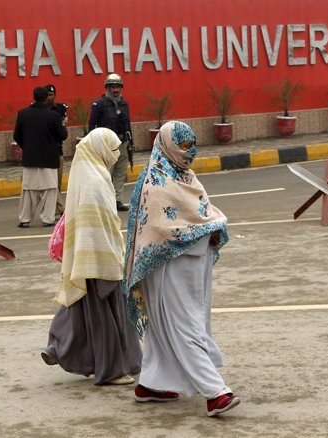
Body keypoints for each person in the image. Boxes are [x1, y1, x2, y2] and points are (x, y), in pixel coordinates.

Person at [122, 121, 241, 417]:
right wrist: (205, 229)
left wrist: (211, 228)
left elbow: (204, 212)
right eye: (184, 146)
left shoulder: (185, 175)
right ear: (169, 146)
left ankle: (150, 384)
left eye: (192, 145)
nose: (190, 152)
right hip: (167, 267)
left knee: (171, 325)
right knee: (183, 325)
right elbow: (162, 228)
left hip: (194, 264)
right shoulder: (156, 181)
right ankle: (215, 393)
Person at [41, 127, 142, 386]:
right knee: (104, 316)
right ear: (100, 149)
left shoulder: (87, 175)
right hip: (99, 258)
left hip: (85, 257)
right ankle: (111, 369)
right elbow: (101, 227)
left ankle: (58, 347)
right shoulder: (96, 182)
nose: (117, 154)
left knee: (80, 309)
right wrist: (112, 261)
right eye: (113, 148)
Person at [13, 86, 68, 228]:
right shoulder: (53, 116)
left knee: (29, 190)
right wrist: (63, 125)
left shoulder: (23, 114)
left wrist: (28, 148)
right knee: (50, 190)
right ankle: (47, 219)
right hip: (49, 158)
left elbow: (17, 135)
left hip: (30, 158)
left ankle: (24, 219)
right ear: (46, 98)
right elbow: (62, 135)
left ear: (34, 97)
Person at [88, 73, 133, 211]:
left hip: (122, 142)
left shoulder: (124, 103)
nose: (115, 90)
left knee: (120, 172)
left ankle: (117, 200)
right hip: (106, 144)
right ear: (107, 88)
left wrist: (131, 142)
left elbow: (128, 124)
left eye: (118, 87)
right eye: (112, 87)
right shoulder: (99, 104)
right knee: (106, 173)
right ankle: (104, 201)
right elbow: (91, 125)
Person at [44, 84, 69, 220]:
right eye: (47, 95)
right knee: (51, 183)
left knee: (57, 183)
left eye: (51, 95)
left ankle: (53, 209)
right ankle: (59, 209)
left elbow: (62, 130)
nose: (49, 98)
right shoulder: (39, 110)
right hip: (45, 151)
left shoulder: (60, 109)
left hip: (57, 150)